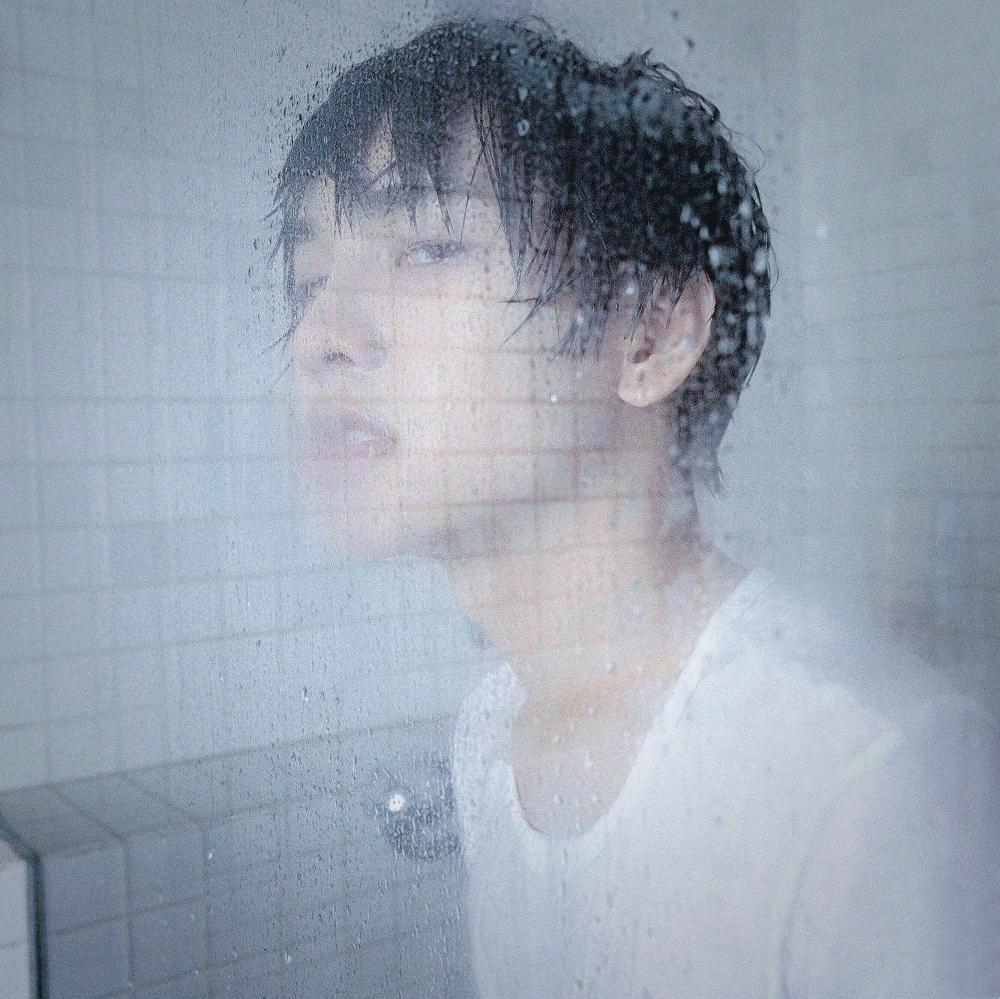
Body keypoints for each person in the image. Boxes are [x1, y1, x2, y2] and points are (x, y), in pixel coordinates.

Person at [273, 16, 1000, 997]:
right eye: (309, 277)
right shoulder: (491, 730)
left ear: (651, 334)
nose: (318, 335)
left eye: (429, 248)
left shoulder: (867, 770)